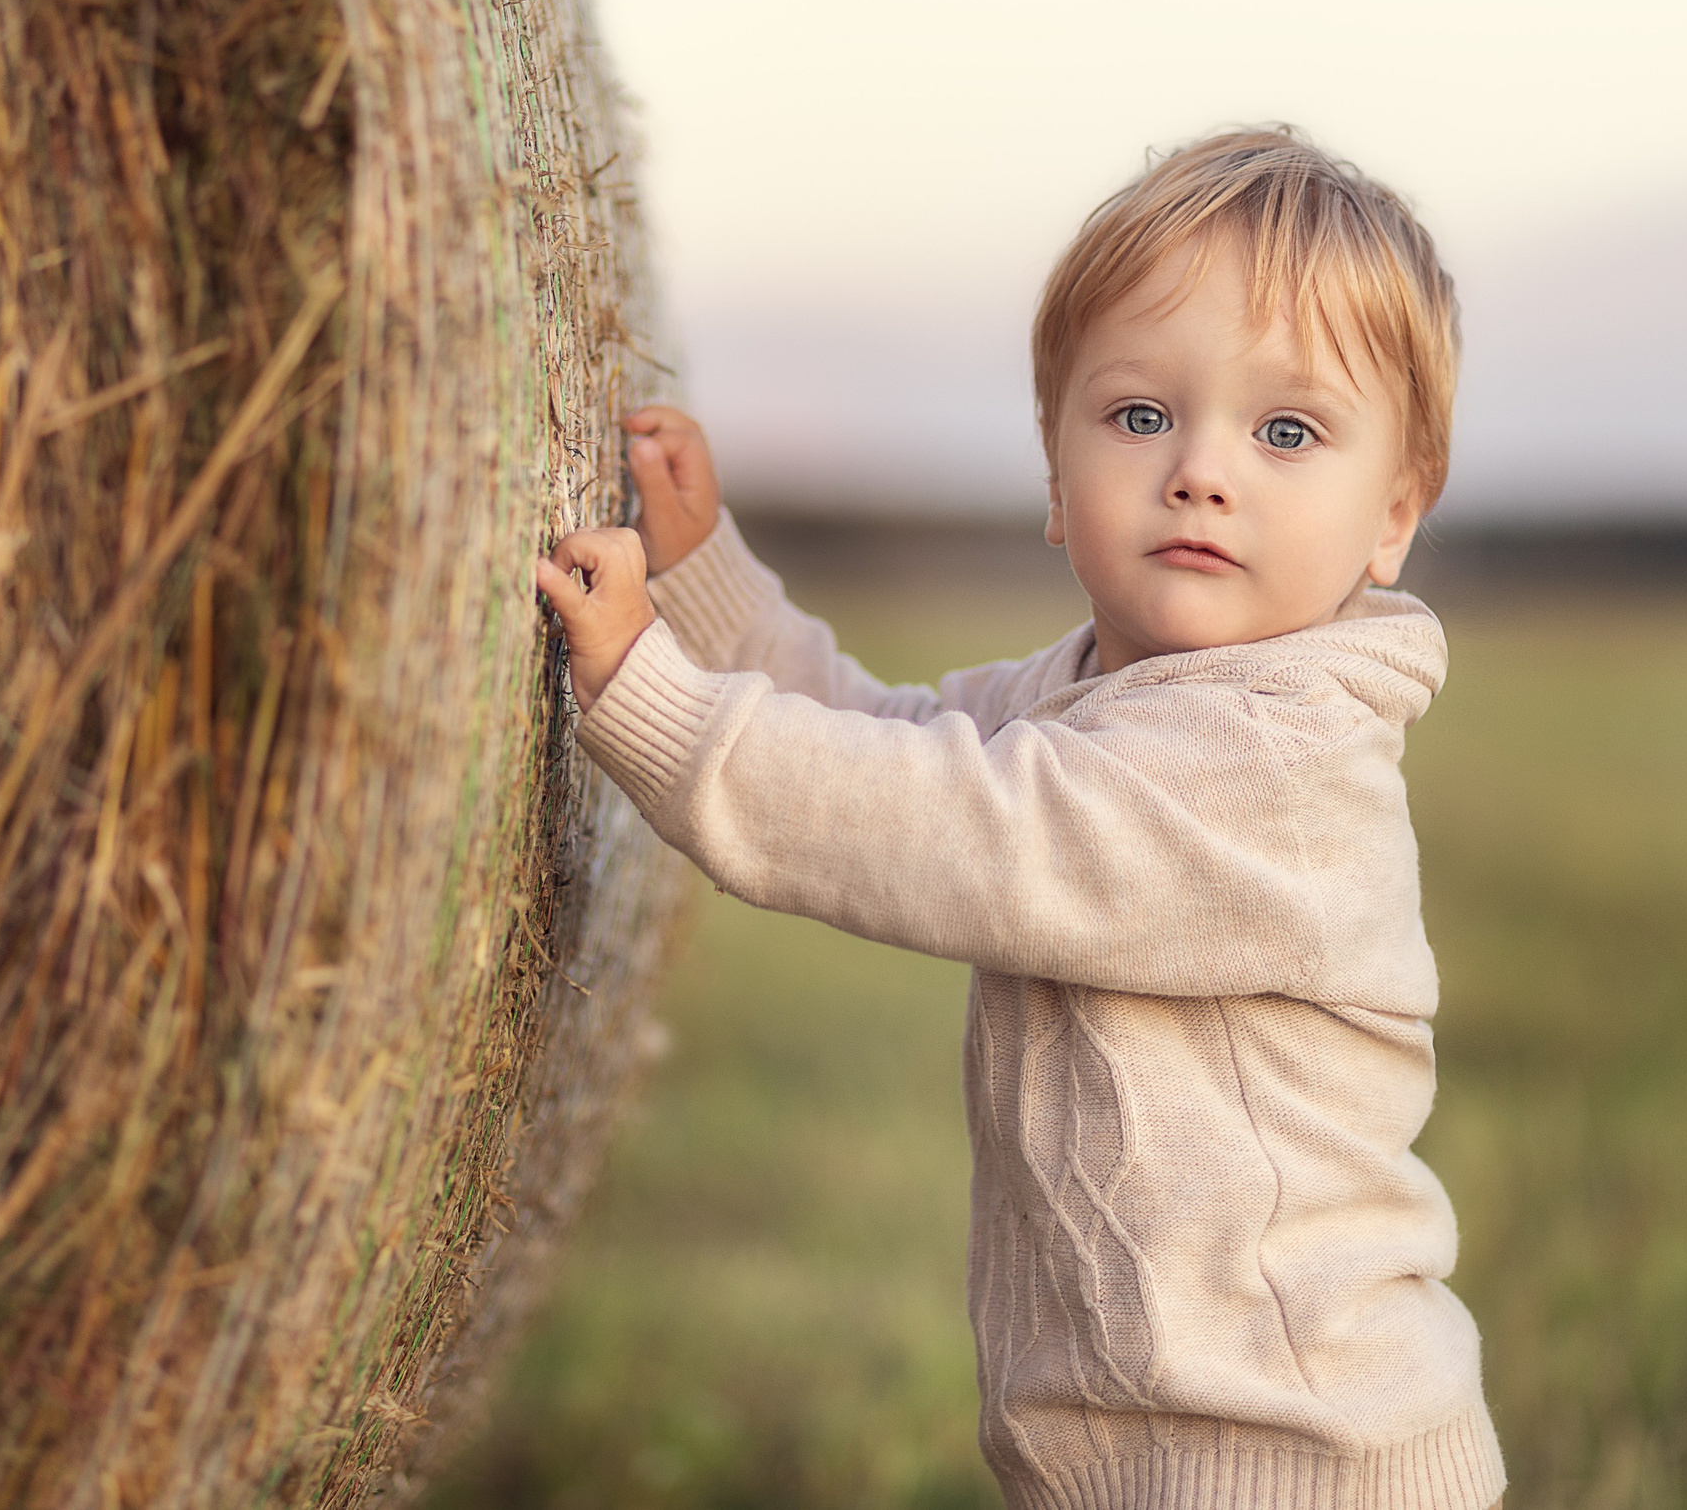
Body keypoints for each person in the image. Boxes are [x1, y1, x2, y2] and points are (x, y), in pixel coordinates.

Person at [533, 126, 1504, 1510]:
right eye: (1139, 417)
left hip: (1298, 1465)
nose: (1201, 469)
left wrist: (654, 695)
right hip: (1148, 1461)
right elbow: (889, 740)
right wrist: (707, 594)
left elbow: (947, 824)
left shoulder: (1274, 763)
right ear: (1056, 478)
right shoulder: (1094, 696)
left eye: (1286, 432)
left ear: (1393, 515)